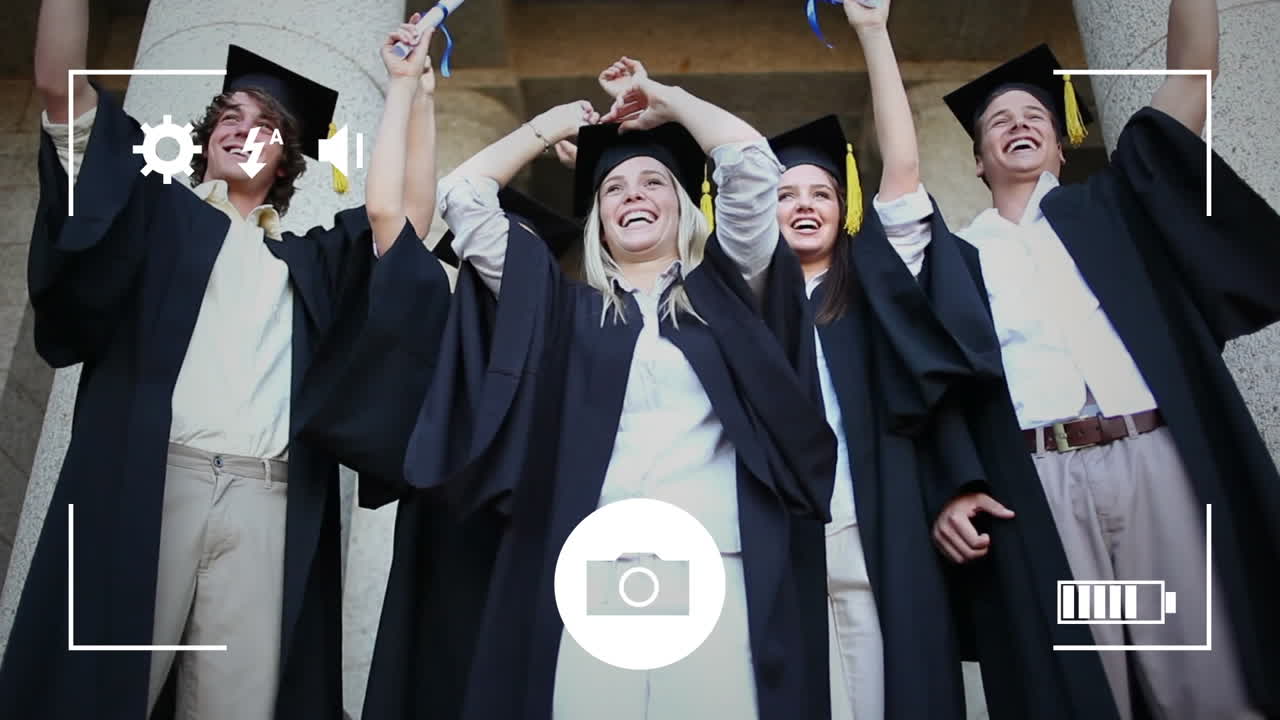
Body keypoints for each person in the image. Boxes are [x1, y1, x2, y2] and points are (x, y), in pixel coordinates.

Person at [0, 3, 449, 717]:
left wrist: (410, 92)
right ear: (208, 140)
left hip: (265, 499)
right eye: (232, 117)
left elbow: (408, 218)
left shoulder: (306, 263)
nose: (246, 129)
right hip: (149, 485)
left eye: (267, 124)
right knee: (95, 695)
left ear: (285, 163)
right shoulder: (154, 214)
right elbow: (61, 89)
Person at [403, 58, 838, 719]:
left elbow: (751, 165)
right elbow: (463, 195)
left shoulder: (727, 291)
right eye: (613, 188)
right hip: (599, 562)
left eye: (653, 182)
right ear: (598, 219)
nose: (633, 194)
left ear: (683, 205)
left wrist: (668, 99)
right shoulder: (562, 310)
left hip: (712, 555)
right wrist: (547, 128)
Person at [921, 1, 1280, 718]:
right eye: (1000, 121)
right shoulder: (953, 261)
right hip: (1045, 490)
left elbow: (1193, 76)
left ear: (1061, 144)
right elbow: (935, 394)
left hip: (1150, 465)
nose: (1020, 125)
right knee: (1090, 689)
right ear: (978, 156)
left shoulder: (1117, 209)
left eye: (1037, 118)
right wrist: (952, 487)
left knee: (1200, 683)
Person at [763, 1, 999, 718]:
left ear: (846, 206)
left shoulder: (871, 283)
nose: (804, 206)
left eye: (821, 192)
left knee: (886, 692)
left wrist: (872, 33)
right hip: (778, 529)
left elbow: (902, 168)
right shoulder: (740, 302)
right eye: (784, 195)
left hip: (872, 516)